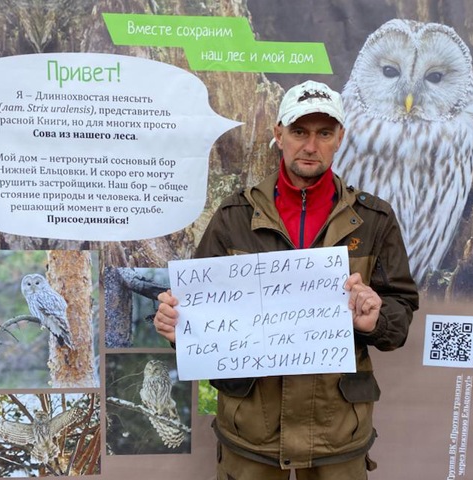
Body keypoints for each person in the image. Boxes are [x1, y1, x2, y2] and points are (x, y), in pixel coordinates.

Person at [154, 80, 419, 479]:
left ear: (340, 138)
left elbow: (400, 313)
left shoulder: (374, 220)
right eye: (299, 131)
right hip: (251, 433)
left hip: (337, 432)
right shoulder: (234, 217)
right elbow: (197, 311)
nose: (310, 146)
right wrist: (179, 328)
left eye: (324, 133)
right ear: (279, 135)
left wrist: (375, 320)